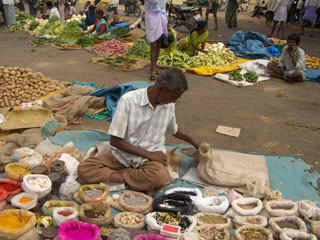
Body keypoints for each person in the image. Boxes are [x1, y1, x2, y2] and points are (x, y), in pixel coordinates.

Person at [78, 68, 201, 193]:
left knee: (158, 177)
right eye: (173, 97)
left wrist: (194, 141)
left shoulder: (169, 105)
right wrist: (149, 154)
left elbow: (173, 129)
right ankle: (132, 177)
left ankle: (117, 176)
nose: (174, 101)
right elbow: (115, 141)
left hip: (149, 161)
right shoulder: (129, 101)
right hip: (123, 155)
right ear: (161, 88)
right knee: (84, 169)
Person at [145, 0, 167, 81]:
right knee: (153, 44)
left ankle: (153, 67)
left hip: (161, 16)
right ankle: (153, 69)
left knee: (158, 43)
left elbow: (162, 5)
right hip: (151, 17)